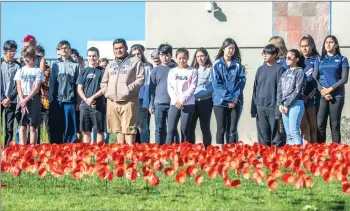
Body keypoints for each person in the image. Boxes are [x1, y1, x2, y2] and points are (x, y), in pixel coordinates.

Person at [100, 38, 145, 145]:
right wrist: (107, 92)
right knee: (118, 129)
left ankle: (129, 154)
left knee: (129, 129)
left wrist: (128, 89)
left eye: (121, 48)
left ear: (126, 48)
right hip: (113, 102)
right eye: (116, 48)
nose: (118, 50)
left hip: (129, 101)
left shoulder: (135, 61)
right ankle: (121, 154)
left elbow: (141, 79)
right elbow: (103, 82)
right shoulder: (110, 64)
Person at [313, 35, 349, 143]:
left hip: (337, 96)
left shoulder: (342, 59)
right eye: (326, 42)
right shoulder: (319, 59)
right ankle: (320, 153)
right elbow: (315, 77)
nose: (328, 44)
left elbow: (344, 79)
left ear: (336, 45)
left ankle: (336, 153)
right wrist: (323, 91)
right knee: (320, 125)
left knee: (335, 125)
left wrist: (330, 89)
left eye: (331, 42)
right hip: (322, 95)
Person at [211, 38, 246, 149]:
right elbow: (217, 85)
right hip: (220, 102)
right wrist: (229, 98)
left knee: (232, 129)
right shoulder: (216, 65)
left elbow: (241, 82)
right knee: (221, 128)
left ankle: (232, 154)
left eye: (233, 48)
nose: (231, 50)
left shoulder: (238, 66)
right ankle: (220, 155)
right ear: (223, 49)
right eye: (229, 48)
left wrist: (234, 98)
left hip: (236, 102)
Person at [251, 44, 285, 147]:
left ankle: (277, 159)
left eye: (267, 53)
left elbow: (282, 91)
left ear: (275, 55)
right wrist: (253, 108)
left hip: (274, 108)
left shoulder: (280, 69)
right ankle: (264, 158)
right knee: (263, 136)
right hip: (261, 107)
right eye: (263, 53)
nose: (265, 55)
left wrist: (279, 109)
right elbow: (255, 89)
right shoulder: (260, 69)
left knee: (277, 136)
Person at [49, 40, 80, 143]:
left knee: (70, 127)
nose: (64, 50)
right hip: (57, 101)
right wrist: (51, 100)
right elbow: (52, 84)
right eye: (62, 48)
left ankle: (70, 147)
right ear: (59, 50)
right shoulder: (55, 65)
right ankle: (56, 148)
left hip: (70, 101)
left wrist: (78, 101)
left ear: (70, 50)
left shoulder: (76, 65)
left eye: (66, 48)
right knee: (57, 126)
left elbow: (78, 85)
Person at [149, 43, 179, 145]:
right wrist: (151, 104)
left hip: (173, 104)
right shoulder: (155, 70)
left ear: (171, 55)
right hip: (159, 104)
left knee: (173, 129)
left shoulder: (177, 69)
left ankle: (175, 149)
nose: (164, 57)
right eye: (162, 55)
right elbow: (152, 89)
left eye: (166, 55)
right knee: (159, 129)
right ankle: (159, 150)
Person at [167, 48, 198, 144]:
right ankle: (167, 152)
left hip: (187, 103)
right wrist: (176, 101)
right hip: (174, 104)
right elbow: (170, 88)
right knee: (171, 130)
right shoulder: (172, 71)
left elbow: (192, 87)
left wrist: (182, 100)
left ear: (188, 58)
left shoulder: (193, 70)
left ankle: (185, 152)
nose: (182, 60)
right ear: (176, 58)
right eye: (179, 58)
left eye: (184, 58)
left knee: (185, 130)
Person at [14, 46, 44, 145]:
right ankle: (22, 148)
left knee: (32, 126)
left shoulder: (38, 71)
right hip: (22, 98)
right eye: (24, 57)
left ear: (33, 58)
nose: (26, 59)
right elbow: (18, 86)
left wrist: (26, 99)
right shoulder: (20, 70)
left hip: (33, 98)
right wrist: (22, 100)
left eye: (28, 56)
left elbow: (36, 87)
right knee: (22, 126)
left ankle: (32, 147)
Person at [277, 49, 306, 145]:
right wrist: (280, 104)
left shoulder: (299, 72)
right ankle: (291, 156)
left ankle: (299, 156)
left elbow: (297, 90)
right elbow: (279, 89)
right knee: (288, 134)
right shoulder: (285, 73)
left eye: (289, 57)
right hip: (284, 106)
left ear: (296, 59)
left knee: (294, 131)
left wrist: (287, 104)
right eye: (286, 57)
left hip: (296, 104)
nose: (287, 59)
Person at [77, 47, 105, 144]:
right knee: (86, 131)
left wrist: (93, 98)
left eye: (94, 56)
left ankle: (100, 153)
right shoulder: (84, 71)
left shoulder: (102, 71)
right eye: (89, 56)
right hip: (85, 105)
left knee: (100, 131)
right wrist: (86, 100)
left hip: (98, 105)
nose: (92, 58)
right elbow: (79, 88)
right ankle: (87, 153)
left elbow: (104, 88)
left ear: (98, 57)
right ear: (87, 57)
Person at [189, 47, 213, 147]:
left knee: (205, 127)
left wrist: (197, 95)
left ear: (206, 56)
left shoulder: (211, 69)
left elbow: (212, 87)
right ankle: (190, 150)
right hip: (192, 102)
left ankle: (208, 150)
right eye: (198, 56)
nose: (200, 58)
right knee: (190, 127)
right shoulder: (192, 70)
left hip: (205, 102)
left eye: (202, 56)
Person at [130, 44, 153, 143]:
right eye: (134, 54)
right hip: (131, 100)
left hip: (143, 100)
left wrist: (148, 103)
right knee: (132, 126)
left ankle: (144, 146)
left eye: (138, 54)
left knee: (142, 126)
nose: (136, 56)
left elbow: (149, 85)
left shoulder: (147, 67)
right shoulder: (128, 67)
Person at [299, 35, 320, 145]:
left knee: (313, 126)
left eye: (307, 46)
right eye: (302, 46)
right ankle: (306, 152)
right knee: (304, 126)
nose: (304, 48)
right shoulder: (299, 59)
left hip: (312, 97)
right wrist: (301, 96)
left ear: (312, 46)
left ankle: (315, 150)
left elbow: (316, 78)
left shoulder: (316, 59)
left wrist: (309, 96)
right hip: (300, 98)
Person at [1, 40, 21, 146]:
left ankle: (6, 148)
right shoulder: (1, 63)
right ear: (5, 51)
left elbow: (18, 85)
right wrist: (2, 98)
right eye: (10, 51)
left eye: (14, 51)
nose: (12, 53)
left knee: (9, 127)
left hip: (11, 100)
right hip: (1, 98)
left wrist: (9, 97)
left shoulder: (18, 66)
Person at [91, 58, 110, 144]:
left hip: (108, 104)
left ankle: (105, 144)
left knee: (106, 127)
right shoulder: (96, 76)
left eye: (105, 66)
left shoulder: (110, 76)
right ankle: (94, 143)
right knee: (96, 126)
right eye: (101, 66)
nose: (104, 68)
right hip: (98, 104)